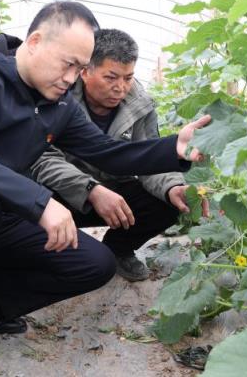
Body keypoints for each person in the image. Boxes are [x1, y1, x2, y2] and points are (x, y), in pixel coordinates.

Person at [0, 1, 210, 377]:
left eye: (80, 67)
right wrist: (40, 202)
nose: (72, 77)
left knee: (94, 264)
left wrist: (171, 149)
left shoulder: (58, 105)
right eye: (69, 63)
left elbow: (108, 153)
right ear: (35, 41)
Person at [30, 29, 190, 282]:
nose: (121, 88)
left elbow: (149, 156)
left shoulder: (141, 104)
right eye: (111, 77)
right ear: (85, 71)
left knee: (165, 204)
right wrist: (90, 189)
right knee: (25, 209)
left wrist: (172, 187)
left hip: (113, 193)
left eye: (128, 78)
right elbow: (41, 158)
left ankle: (116, 251)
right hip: (61, 193)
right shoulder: (59, 95)